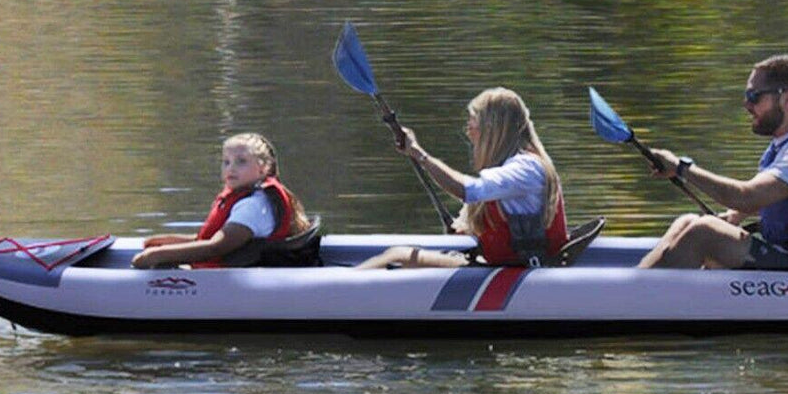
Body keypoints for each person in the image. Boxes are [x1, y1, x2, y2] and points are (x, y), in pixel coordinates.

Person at [638, 55, 788, 271]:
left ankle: (632, 297)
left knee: (703, 232)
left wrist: (681, 168)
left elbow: (747, 196)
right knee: (688, 221)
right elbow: (785, 198)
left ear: (786, 98)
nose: (746, 105)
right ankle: (636, 284)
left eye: (754, 97)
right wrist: (734, 216)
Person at [357, 87, 568, 269]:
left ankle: (332, 292)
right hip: (502, 267)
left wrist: (419, 154)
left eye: (472, 126)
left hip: (518, 273)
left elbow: (467, 191)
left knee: (398, 256)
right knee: (400, 258)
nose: (468, 133)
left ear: (493, 130)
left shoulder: (526, 167)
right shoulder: (512, 167)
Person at [132, 133, 311, 269]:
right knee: (153, 245)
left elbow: (216, 248)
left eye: (241, 162)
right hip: (234, 267)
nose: (230, 168)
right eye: (226, 162)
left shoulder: (253, 207)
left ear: (264, 168)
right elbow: (211, 238)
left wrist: (155, 256)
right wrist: (167, 242)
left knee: (153, 255)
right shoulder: (249, 197)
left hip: (238, 279)